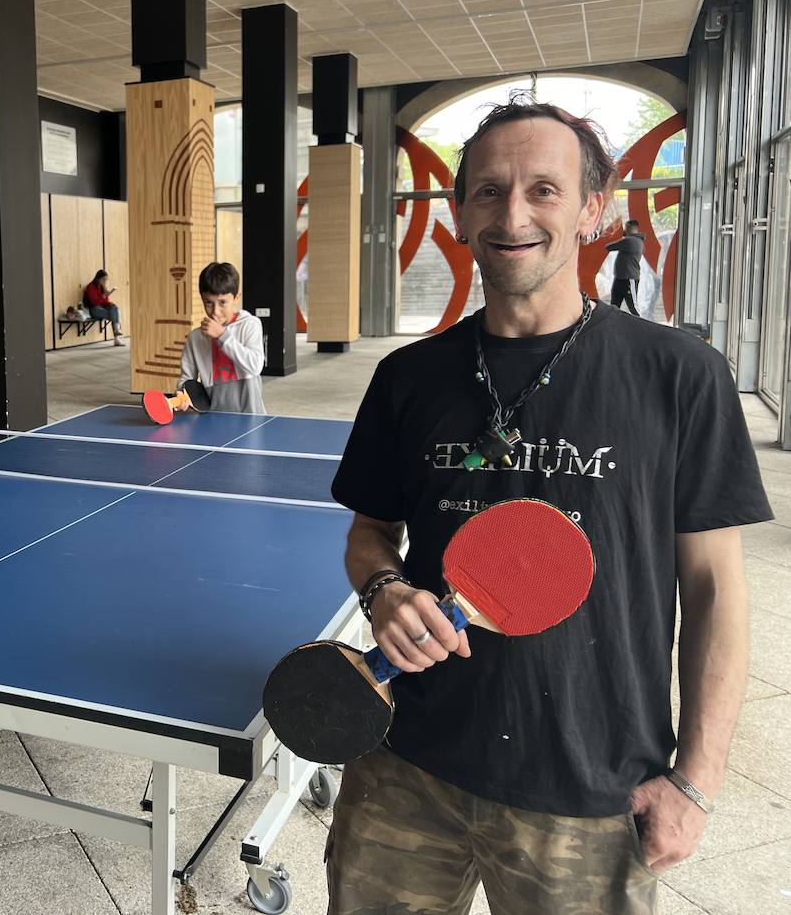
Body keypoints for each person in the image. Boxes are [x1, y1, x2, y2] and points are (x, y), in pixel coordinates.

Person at [325, 100, 770, 914]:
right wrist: (384, 590)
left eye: (544, 189)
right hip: (404, 765)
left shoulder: (681, 376)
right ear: (459, 214)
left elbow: (714, 590)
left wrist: (695, 781)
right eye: (489, 191)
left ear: (594, 209)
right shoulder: (408, 379)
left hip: (591, 786)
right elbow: (369, 532)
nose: (514, 213)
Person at [177, 261, 266, 413]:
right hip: (215, 416)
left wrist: (222, 336)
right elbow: (187, 379)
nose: (215, 311)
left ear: (236, 297)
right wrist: (181, 393)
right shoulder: (195, 337)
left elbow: (255, 366)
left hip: (252, 415)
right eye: (209, 303)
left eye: (222, 302)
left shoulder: (250, 324)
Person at [607, 218, 646, 315]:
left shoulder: (630, 241)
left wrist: (621, 236)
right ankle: (614, 324)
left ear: (631, 229)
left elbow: (609, 247)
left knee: (633, 306)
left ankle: (640, 326)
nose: (624, 231)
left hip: (629, 278)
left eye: (626, 228)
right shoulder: (638, 242)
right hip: (621, 277)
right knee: (614, 306)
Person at [84, 269, 125, 346]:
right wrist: (102, 297)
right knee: (114, 314)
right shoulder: (91, 287)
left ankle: (117, 331)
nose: (104, 281)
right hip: (94, 309)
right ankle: (117, 338)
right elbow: (94, 302)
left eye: (106, 280)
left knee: (115, 308)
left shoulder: (103, 287)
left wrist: (109, 303)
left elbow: (105, 302)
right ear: (98, 278)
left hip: (102, 308)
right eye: (103, 279)